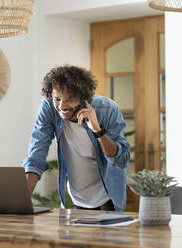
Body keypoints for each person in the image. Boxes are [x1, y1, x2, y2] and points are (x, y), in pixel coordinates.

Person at [21, 65, 130, 211]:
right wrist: (21, 203)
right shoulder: (49, 108)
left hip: (108, 199)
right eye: (57, 99)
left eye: (69, 99)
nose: (61, 106)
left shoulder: (107, 109)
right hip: (76, 199)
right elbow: (36, 154)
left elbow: (121, 160)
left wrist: (98, 130)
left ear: (82, 96)